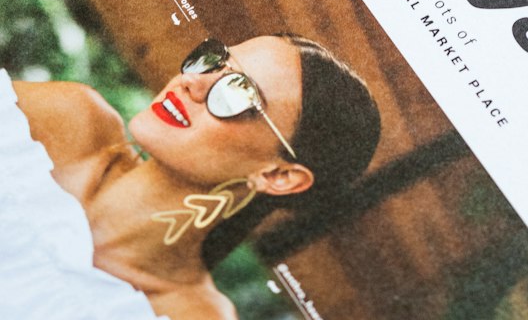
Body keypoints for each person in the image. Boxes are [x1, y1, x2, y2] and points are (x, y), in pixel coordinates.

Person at [5, 34, 381, 320]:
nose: (193, 82)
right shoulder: (63, 120)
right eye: (214, 61)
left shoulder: (190, 314)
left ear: (279, 175)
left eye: (238, 91)